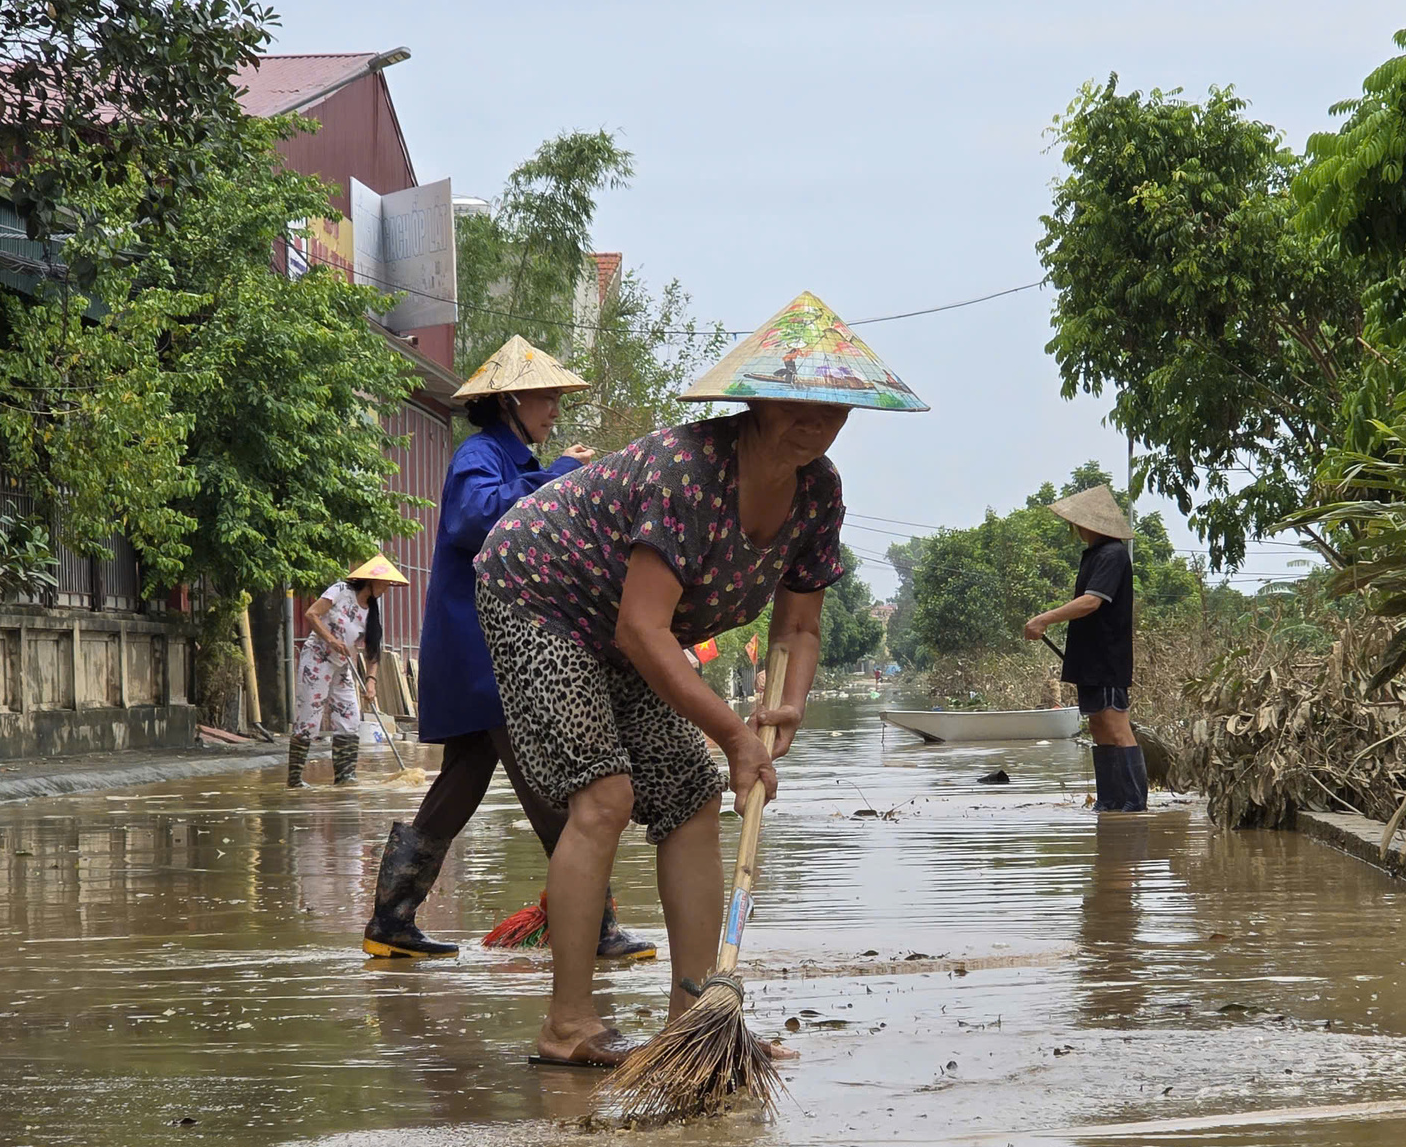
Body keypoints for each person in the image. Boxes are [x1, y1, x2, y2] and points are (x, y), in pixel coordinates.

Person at [473, 290, 929, 1066]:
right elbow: (641, 629)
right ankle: (568, 1027)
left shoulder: (819, 493)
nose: (815, 422)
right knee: (604, 794)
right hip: (541, 592)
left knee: (690, 792)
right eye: (795, 403)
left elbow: (799, 626)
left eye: (835, 408)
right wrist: (732, 734)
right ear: (753, 400)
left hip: (626, 633)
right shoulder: (691, 471)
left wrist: (785, 708)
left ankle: (699, 1024)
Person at [363, 336, 656, 962]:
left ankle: (391, 920)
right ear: (512, 399)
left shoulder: (509, 457)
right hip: (487, 652)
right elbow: (476, 521)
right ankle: (596, 927)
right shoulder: (480, 453)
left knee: (462, 780)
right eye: (547, 397)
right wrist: (558, 476)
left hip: (486, 649)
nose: (554, 409)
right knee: (549, 786)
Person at [1023, 485, 1147, 812]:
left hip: (1107, 659)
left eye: (1078, 522)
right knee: (1097, 726)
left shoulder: (1113, 555)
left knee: (1116, 726)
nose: (1076, 528)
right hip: (1090, 660)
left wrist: (1044, 619)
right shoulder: (1095, 556)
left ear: (1091, 524)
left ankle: (1133, 804)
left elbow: (1091, 602)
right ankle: (1110, 802)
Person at [289, 554, 406, 788]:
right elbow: (311, 614)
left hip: (342, 665)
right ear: (369, 580)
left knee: (350, 717)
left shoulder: (372, 612)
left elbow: (373, 653)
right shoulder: (341, 591)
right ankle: (294, 780)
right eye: (383, 582)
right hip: (318, 658)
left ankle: (345, 777)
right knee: (309, 718)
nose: (385, 588)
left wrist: (370, 682)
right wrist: (331, 639)